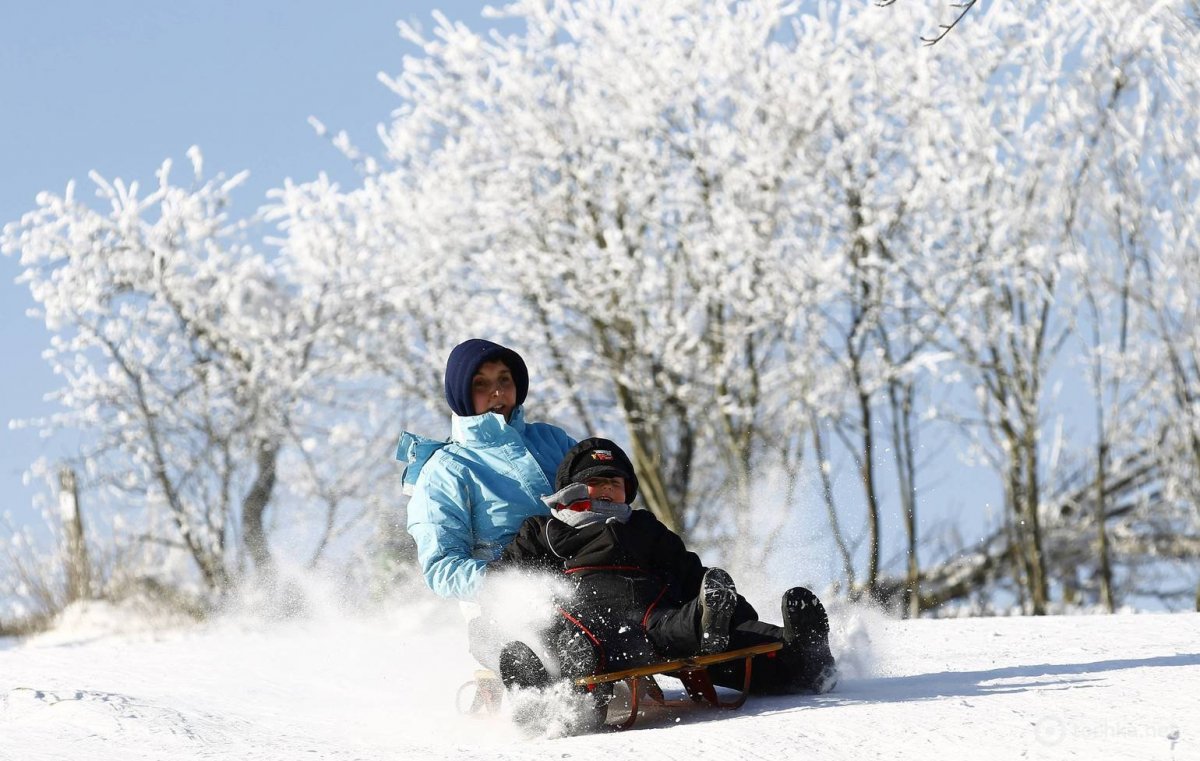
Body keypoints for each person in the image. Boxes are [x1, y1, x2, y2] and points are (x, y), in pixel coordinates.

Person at [490, 437, 838, 697]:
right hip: (585, 623)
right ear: (573, 489)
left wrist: (733, 611)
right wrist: (511, 607)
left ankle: (803, 657)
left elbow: (689, 571)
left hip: (652, 617)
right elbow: (505, 581)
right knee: (570, 642)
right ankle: (540, 696)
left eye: (616, 483)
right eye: (598, 482)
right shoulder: (546, 530)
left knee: (697, 629)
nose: (609, 489)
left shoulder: (643, 527)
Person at [399, 339, 577, 665]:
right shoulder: (447, 470)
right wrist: (504, 583)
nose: (497, 392)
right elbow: (442, 566)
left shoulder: (553, 440)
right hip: (506, 603)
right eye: (481, 384)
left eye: (504, 380)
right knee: (538, 632)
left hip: (583, 577)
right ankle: (530, 675)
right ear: (461, 394)